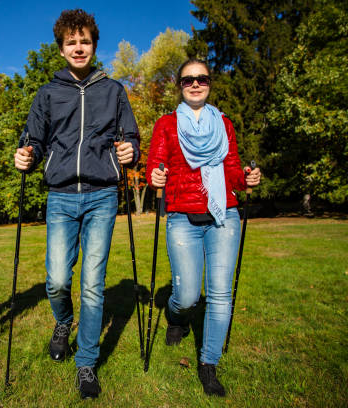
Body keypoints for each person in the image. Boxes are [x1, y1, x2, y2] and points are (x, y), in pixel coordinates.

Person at [14, 9, 140, 400]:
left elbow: (132, 136)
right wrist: (27, 153)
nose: (79, 47)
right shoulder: (48, 92)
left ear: (94, 45)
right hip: (62, 195)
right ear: (62, 48)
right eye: (72, 42)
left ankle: (86, 363)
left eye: (85, 41)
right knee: (56, 280)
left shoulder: (113, 90)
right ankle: (62, 323)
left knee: (91, 284)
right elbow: (32, 138)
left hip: (102, 195)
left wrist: (129, 149)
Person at [146, 59, 261, 396]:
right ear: (179, 85)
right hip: (183, 215)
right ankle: (177, 318)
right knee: (186, 295)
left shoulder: (224, 124)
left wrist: (247, 179)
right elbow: (156, 163)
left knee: (220, 294)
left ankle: (209, 363)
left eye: (202, 79)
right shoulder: (166, 124)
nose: (195, 84)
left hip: (224, 214)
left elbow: (233, 170)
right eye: (188, 80)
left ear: (210, 83)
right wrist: (156, 175)